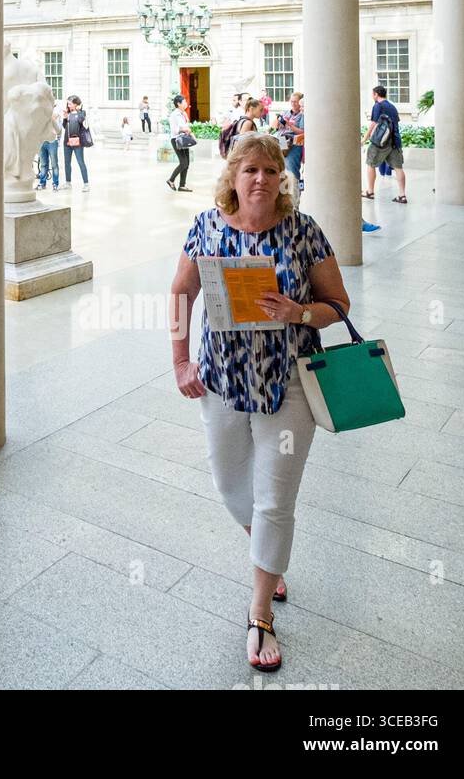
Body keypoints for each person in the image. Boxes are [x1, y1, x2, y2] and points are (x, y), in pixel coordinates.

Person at [169, 133, 348, 673]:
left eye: (271, 170)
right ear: (232, 177)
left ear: (281, 178)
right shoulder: (206, 226)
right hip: (222, 380)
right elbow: (181, 293)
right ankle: (267, 555)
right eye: (249, 170)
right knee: (230, 487)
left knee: (274, 501)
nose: (261, 179)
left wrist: (298, 312)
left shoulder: (302, 230)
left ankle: (260, 609)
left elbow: (338, 304)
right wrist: (181, 361)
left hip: (288, 383)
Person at [363, 83, 407, 203]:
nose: (372, 96)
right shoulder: (392, 106)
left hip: (380, 142)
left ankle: (370, 192)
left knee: (371, 164)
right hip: (395, 141)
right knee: (398, 168)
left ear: (376, 94)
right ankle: (402, 195)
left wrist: (364, 139)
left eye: (373, 94)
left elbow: (373, 124)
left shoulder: (378, 106)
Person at [165, 93, 194, 191]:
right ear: (178, 103)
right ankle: (171, 180)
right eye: (184, 101)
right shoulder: (174, 114)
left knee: (187, 163)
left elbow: (186, 126)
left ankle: (182, 185)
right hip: (177, 140)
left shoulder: (184, 113)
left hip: (185, 139)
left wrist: (189, 132)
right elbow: (175, 130)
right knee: (183, 162)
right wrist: (184, 130)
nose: (186, 103)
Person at [62, 95, 90, 190]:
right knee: (67, 163)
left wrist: (79, 110)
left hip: (78, 143)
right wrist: (65, 118)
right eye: (68, 103)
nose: (68, 105)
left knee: (80, 162)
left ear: (75, 104)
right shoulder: (68, 113)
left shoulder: (82, 113)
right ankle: (68, 183)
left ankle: (86, 184)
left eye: (70, 103)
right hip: (67, 142)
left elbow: (80, 120)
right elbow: (64, 126)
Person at [279, 93, 305, 191]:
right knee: (282, 168)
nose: (293, 104)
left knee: (292, 168)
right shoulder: (286, 112)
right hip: (282, 141)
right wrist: (279, 122)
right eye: (291, 101)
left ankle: (294, 195)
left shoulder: (302, 115)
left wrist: (290, 125)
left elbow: (303, 132)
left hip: (294, 145)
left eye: (296, 101)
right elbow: (275, 127)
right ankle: (284, 193)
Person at [36, 102, 61, 190]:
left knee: (54, 164)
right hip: (42, 142)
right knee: (43, 164)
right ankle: (42, 183)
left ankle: (55, 184)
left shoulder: (55, 112)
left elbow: (58, 130)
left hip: (52, 142)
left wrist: (50, 117)